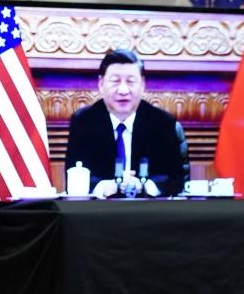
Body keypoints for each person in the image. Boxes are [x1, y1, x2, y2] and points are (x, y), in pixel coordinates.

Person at [64, 49, 189, 197]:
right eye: (115, 81)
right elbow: (74, 175)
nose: (123, 90)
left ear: (142, 85)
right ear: (101, 84)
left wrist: (144, 186)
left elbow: (175, 178)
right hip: (99, 213)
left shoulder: (162, 123)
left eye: (130, 81)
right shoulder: (84, 121)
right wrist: (104, 187)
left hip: (150, 213)